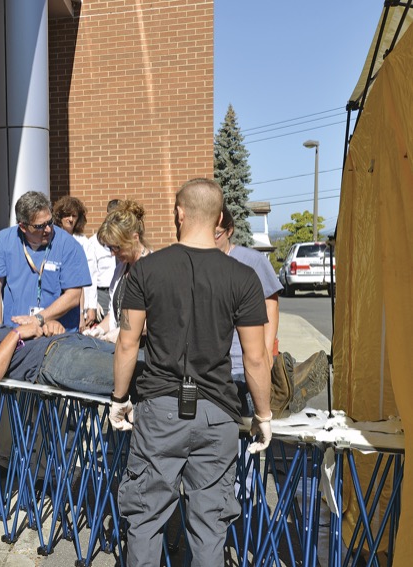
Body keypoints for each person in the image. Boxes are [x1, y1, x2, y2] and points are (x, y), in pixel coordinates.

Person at [110, 178, 273, 566]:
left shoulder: (146, 271)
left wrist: (118, 400)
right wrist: (263, 415)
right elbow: (255, 357)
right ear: (219, 218)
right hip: (217, 412)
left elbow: (127, 344)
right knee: (209, 526)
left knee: (145, 520)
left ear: (179, 214)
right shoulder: (243, 277)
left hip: (160, 408)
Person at [0, 279, 141, 395]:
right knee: (143, 374)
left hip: (70, 342)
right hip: (52, 360)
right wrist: (16, 333)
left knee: (146, 358)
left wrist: (48, 327)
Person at [0, 191, 91, 332]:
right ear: (23, 226)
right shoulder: (3, 241)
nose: (48, 229)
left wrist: (39, 318)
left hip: (57, 337)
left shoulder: (69, 245)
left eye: (49, 222)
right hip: (15, 333)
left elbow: (73, 296)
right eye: (40, 226)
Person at [214, 205, 282, 416]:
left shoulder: (252, 261)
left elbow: (271, 302)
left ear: (230, 230)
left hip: (242, 366)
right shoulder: (199, 262)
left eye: (217, 233)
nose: (212, 239)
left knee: (246, 430)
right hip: (213, 368)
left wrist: (268, 348)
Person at [83, 200, 152, 343]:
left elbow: (156, 318)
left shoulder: (152, 269)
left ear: (135, 238)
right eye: (110, 248)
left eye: (117, 247)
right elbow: (115, 314)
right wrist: (100, 329)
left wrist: (122, 332)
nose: (113, 253)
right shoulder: (121, 269)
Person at [53, 196, 100, 330]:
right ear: (59, 217)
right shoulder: (52, 239)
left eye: (74, 215)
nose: (71, 219)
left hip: (79, 302)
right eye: (67, 215)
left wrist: (91, 306)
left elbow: (91, 274)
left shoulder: (84, 242)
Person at [89, 198, 121, 321]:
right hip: (102, 293)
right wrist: (93, 303)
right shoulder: (94, 242)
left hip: (121, 289)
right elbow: (92, 274)